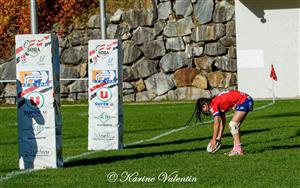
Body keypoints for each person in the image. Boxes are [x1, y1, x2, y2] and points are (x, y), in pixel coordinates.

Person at [195, 90, 254, 156]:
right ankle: (236, 149)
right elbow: (223, 121)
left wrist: (214, 139)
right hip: (245, 99)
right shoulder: (216, 103)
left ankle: (238, 149)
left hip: (244, 100)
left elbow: (216, 123)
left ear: (205, 105)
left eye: (202, 110)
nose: (204, 112)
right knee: (234, 126)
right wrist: (219, 137)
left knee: (232, 124)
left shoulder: (213, 105)